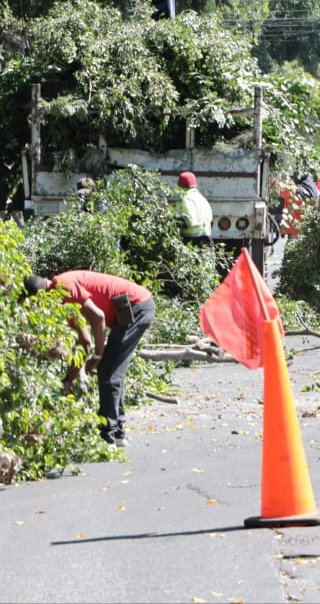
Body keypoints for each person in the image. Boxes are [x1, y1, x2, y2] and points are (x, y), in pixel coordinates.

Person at [24, 270, 156, 446]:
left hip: (136, 304)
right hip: (128, 307)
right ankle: (117, 431)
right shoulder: (61, 298)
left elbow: (98, 317)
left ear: (40, 297)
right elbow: (84, 341)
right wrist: (70, 378)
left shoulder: (63, 286)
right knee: (111, 368)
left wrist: (98, 356)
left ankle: (109, 433)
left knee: (109, 368)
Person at [177, 171, 213, 247]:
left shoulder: (186, 199)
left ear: (180, 186)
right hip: (207, 238)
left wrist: (172, 221)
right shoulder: (202, 199)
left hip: (193, 241)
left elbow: (188, 222)